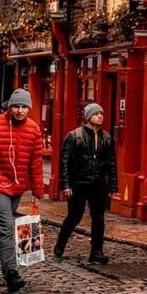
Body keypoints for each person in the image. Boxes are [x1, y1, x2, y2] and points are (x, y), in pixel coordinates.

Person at [0, 88, 45, 294]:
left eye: (24, 107)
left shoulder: (33, 129)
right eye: (16, 106)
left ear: (29, 108)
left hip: (16, 187)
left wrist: (38, 191)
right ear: (10, 107)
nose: (20, 110)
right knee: (6, 227)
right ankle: (11, 274)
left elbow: (35, 162)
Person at [54, 102, 118, 263]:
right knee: (75, 215)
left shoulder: (107, 137)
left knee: (98, 217)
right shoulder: (74, 136)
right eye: (96, 114)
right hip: (78, 182)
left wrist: (113, 184)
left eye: (102, 114)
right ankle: (61, 243)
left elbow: (111, 162)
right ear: (88, 117)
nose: (100, 116)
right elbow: (64, 161)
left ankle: (97, 251)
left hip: (97, 183)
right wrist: (65, 184)